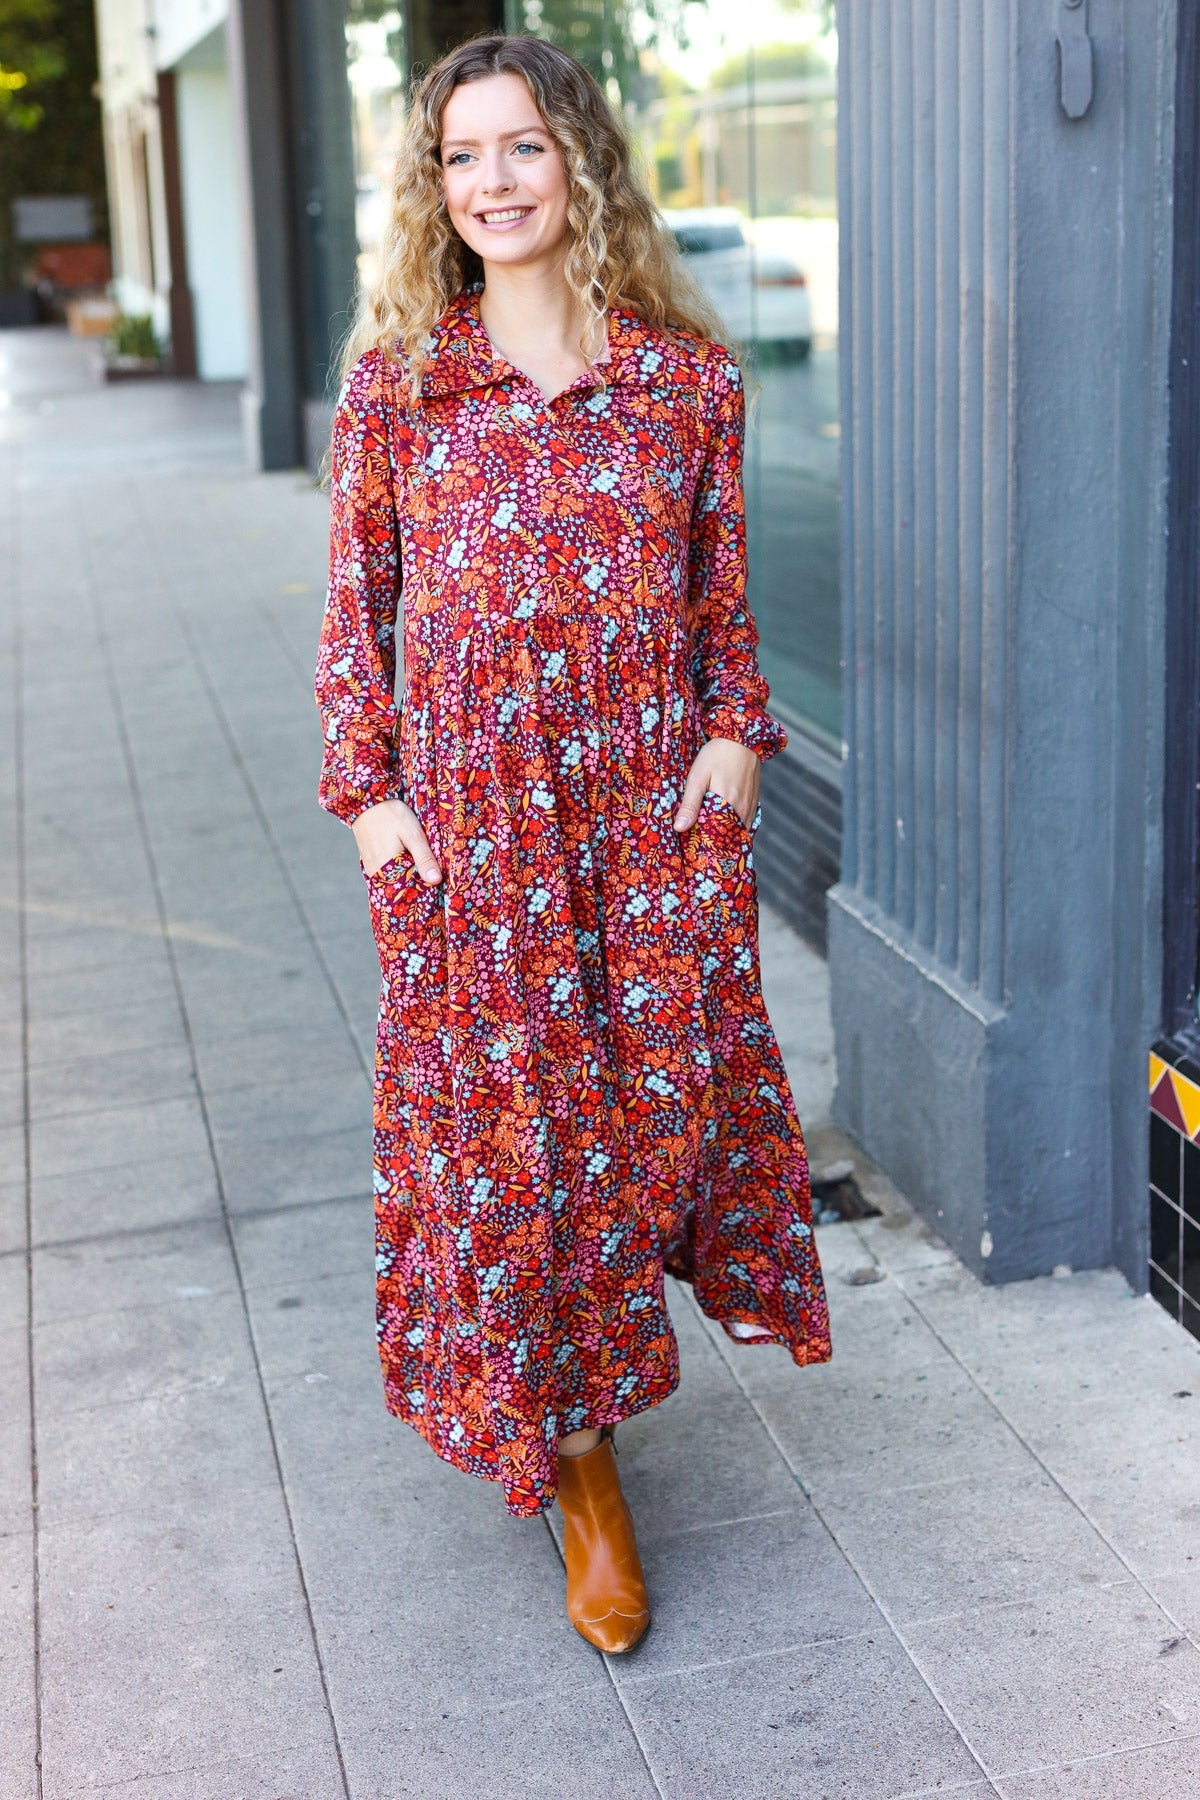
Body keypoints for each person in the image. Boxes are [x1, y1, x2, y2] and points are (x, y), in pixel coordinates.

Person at [314, 31, 832, 1656]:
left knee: (648, 1133)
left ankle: (584, 1393)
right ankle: (587, 1475)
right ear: (434, 188)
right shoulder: (403, 384)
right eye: (461, 158)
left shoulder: (688, 384)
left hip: (648, 828)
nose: (493, 184)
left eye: (523, 148)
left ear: (582, 163)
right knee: (528, 1159)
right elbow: (358, 620)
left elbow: (723, 615)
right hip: (476, 846)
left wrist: (740, 740)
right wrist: (379, 805)